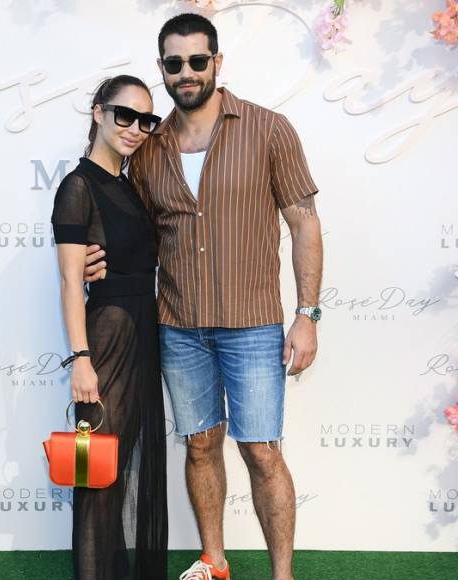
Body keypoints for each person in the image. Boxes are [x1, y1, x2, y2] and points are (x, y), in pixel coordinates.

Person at [85, 13, 323, 580]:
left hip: (253, 324)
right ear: (162, 68)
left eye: (197, 60)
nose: (186, 72)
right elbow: (137, 231)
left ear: (217, 62)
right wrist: (96, 256)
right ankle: (214, 561)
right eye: (174, 63)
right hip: (179, 326)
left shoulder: (269, 129)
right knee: (199, 446)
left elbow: (305, 223)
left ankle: (282, 575)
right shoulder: (149, 148)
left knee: (261, 451)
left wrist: (307, 314)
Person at [51, 75, 168, 580]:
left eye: (146, 120)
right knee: (97, 475)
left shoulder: (129, 184)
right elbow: (69, 280)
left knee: (117, 469)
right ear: (98, 113)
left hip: (143, 333)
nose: (135, 128)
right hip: (108, 338)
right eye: (125, 115)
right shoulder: (78, 186)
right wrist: (81, 360)